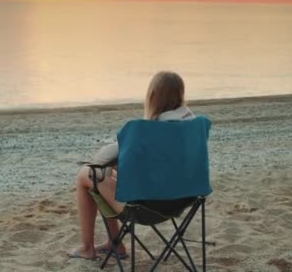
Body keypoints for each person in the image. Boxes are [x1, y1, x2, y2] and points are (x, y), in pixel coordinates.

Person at [67, 71, 196, 260]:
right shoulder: (192, 124)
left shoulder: (146, 130)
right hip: (182, 201)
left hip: (147, 210)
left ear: (152, 95)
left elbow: (101, 158)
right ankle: (114, 243)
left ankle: (88, 248)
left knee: (87, 175)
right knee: (110, 172)